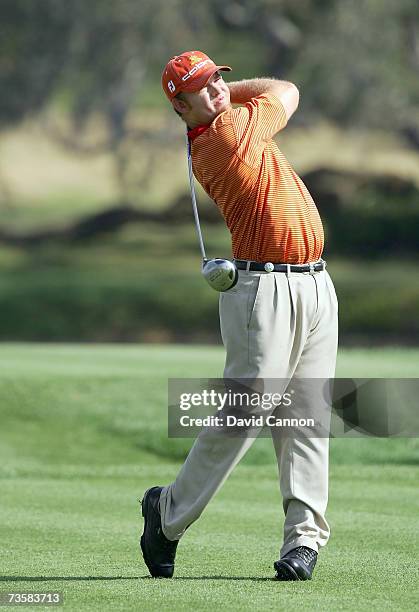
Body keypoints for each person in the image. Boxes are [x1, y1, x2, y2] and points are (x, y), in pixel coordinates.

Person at [140, 51, 338, 581]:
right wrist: (230, 97)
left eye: (217, 81)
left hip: (315, 282)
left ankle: (303, 542)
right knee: (243, 414)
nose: (217, 93)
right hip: (263, 289)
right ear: (180, 108)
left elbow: (272, 94)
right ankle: (167, 514)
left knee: (307, 416)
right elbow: (288, 90)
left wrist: (221, 90)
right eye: (200, 91)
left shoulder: (225, 116)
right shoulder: (226, 135)